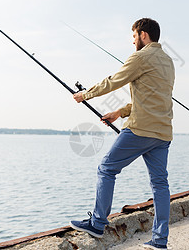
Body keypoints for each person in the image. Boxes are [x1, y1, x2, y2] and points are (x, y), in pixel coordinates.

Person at [69, 18, 175, 249]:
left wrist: (85, 95)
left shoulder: (140, 57)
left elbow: (113, 81)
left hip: (140, 130)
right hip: (163, 132)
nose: (133, 41)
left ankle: (97, 223)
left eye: (134, 36)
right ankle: (160, 240)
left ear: (143, 35)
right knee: (160, 184)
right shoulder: (168, 61)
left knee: (106, 168)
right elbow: (153, 98)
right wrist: (119, 112)